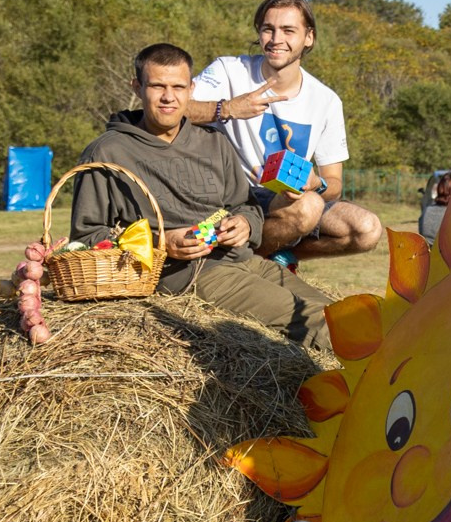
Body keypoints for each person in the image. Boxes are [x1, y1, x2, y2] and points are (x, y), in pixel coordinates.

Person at [72, 43, 335, 355]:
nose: (168, 97)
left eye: (178, 87)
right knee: (318, 324)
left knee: (340, 313)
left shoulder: (214, 142)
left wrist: (245, 225)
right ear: (137, 88)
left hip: (243, 260)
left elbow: (246, 204)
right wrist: (161, 243)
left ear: (191, 89)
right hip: (190, 275)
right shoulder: (107, 152)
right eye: (157, 86)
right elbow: (86, 237)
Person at [191, 0, 384, 264]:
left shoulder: (326, 101)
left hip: (287, 200)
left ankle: (277, 257)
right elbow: (171, 109)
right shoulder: (229, 70)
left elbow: (334, 184)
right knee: (309, 206)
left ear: (309, 37)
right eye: (268, 29)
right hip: (233, 196)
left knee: (367, 229)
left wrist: (316, 184)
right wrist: (228, 108)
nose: (276, 39)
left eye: (288, 30)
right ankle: (239, 262)